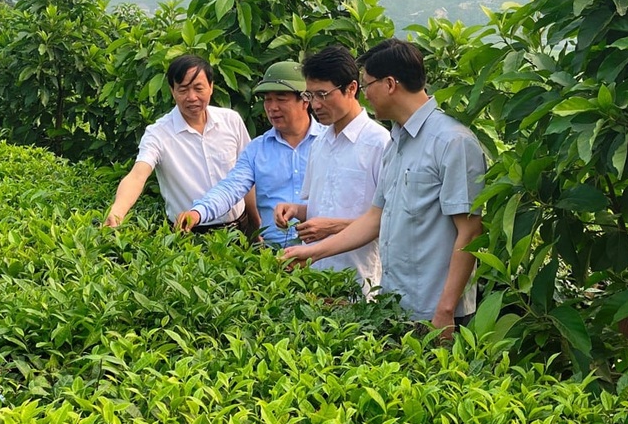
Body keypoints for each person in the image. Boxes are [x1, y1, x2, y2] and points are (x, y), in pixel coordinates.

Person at [281, 39, 486, 338]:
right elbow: (376, 218)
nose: (364, 96)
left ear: (390, 84)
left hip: (438, 314)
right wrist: (311, 253)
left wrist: (445, 309)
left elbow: (470, 233)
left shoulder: (453, 142)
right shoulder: (397, 143)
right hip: (396, 306)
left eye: (367, 86)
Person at [273, 46, 390, 297]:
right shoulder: (320, 143)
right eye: (310, 95)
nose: (315, 104)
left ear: (352, 88)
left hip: (359, 283)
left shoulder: (379, 143)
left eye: (323, 94)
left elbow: (390, 220)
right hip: (315, 280)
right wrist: (296, 210)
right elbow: (320, 207)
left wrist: (332, 227)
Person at [175, 61, 326, 246]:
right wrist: (197, 213)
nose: (272, 107)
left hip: (326, 253)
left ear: (305, 100)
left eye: (281, 98)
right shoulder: (257, 149)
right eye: (267, 99)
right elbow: (230, 188)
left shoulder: (329, 143)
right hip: (275, 257)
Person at [103, 54, 258, 231]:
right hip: (189, 234)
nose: (191, 97)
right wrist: (118, 211)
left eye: (198, 88)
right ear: (172, 91)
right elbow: (138, 175)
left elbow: (246, 176)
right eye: (183, 90)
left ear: (211, 87)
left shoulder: (231, 121)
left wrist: (255, 221)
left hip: (239, 227)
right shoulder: (158, 133)